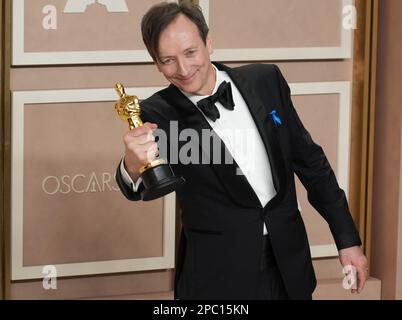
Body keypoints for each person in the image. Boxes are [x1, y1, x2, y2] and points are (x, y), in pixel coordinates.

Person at [115, 1, 368, 300]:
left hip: (289, 266)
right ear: (155, 62)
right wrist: (131, 166)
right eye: (168, 60)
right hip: (217, 279)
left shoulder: (266, 81)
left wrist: (347, 240)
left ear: (209, 43)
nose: (183, 69)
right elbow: (141, 187)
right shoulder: (156, 113)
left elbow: (311, 163)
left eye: (190, 52)